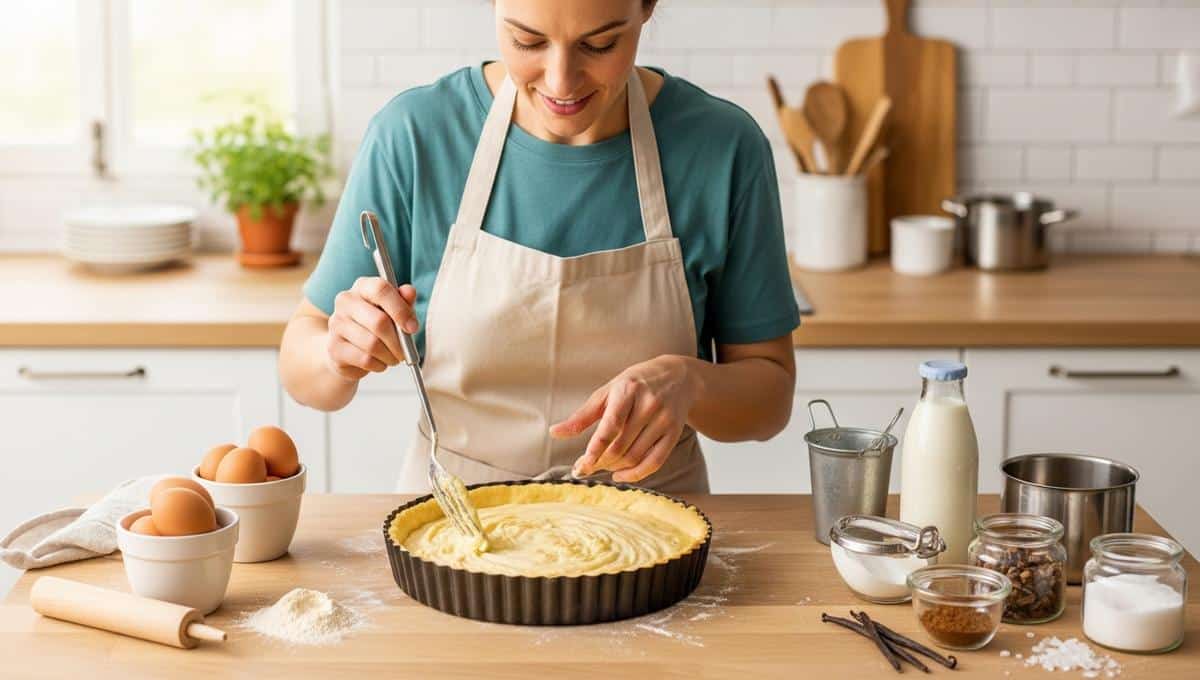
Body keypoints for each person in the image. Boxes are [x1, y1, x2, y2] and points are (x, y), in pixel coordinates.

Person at [280, 0, 800, 494]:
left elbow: (769, 399)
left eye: (599, 45)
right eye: (527, 41)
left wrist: (692, 383)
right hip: (452, 531)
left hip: (656, 537)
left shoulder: (723, 146)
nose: (560, 81)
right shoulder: (417, 135)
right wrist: (335, 353)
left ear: (647, 9)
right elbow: (302, 367)